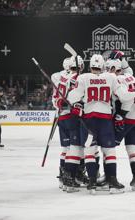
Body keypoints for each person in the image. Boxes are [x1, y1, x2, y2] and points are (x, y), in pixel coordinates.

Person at [67, 54, 135, 194]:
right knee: (109, 151)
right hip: (105, 121)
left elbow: (72, 98)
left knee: (89, 151)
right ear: (102, 66)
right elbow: (124, 96)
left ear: (90, 66)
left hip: (88, 121)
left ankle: (92, 183)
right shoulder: (111, 77)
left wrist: (73, 93)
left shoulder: (83, 78)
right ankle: (112, 184)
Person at [112, 54, 135, 192]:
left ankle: (109, 176)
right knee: (132, 148)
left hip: (126, 118)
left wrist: (121, 115)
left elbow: (125, 98)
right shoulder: (131, 77)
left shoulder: (118, 79)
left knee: (109, 146)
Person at [51, 56, 85, 193]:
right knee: (76, 148)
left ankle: (63, 178)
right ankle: (70, 178)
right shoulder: (76, 78)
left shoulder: (59, 77)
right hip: (72, 117)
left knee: (66, 148)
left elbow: (55, 100)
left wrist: (59, 103)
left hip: (61, 117)